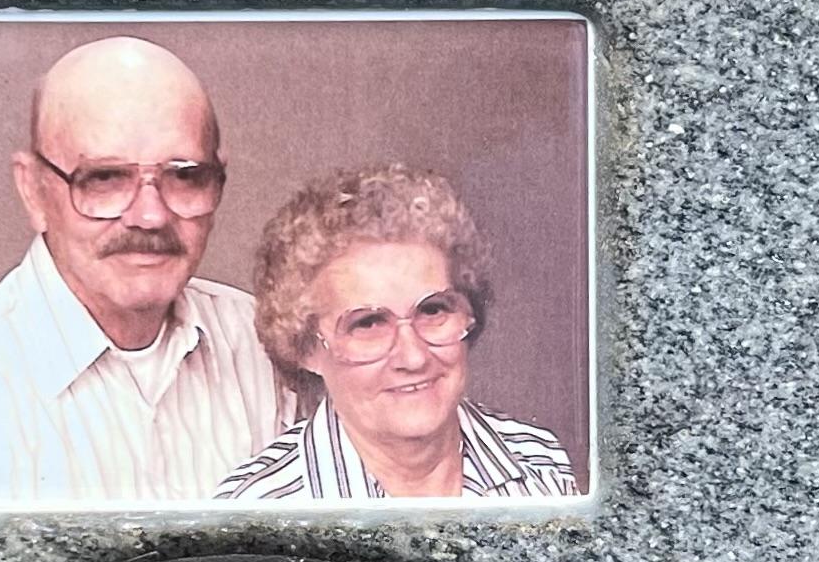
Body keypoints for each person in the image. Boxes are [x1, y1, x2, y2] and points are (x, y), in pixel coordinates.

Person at [0, 37, 282, 508]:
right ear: (34, 190)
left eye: (184, 176)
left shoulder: (268, 349)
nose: (150, 216)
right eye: (104, 178)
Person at [216, 164, 578, 503]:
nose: (413, 357)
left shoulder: (540, 464)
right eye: (369, 323)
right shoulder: (255, 512)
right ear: (307, 347)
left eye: (433, 310)